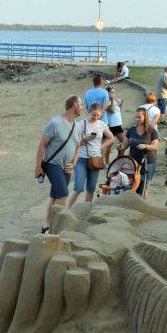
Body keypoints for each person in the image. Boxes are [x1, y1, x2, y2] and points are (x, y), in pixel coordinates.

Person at [35, 95, 84, 233]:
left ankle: (46, 225)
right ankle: (56, 227)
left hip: (67, 167)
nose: (82, 107)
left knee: (55, 195)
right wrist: (38, 167)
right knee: (63, 194)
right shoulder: (55, 123)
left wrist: (74, 163)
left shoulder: (77, 126)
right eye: (81, 104)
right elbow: (42, 145)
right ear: (74, 105)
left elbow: (78, 146)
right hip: (53, 164)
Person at [67, 103, 114, 208]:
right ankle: (66, 209)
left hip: (95, 159)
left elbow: (111, 138)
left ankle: (86, 209)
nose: (96, 117)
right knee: (78, 187)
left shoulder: (102, 124)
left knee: (91, 188)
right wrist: (84, 139)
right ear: (89, 112)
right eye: (93, 115)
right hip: (81, 159)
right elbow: (72, 141)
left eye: (98, 115)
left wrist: (101, 147)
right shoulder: (80, 124)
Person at [119, 107, 159, 200]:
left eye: (139, 117)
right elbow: (125, 144)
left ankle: (143, 204)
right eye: (136, 117)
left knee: (145, 185)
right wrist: (120, 147)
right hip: (133, 162)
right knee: (133, 184)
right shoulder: (131, 130)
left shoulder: (152, 131)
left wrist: (146, 146)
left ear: (145, 117)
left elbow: (154, 146)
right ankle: (133, 204)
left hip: (148, 162)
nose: (137, 119)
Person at [103, 85, 123, 162]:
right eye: (111, 92)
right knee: (109, 145)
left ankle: (120, 158)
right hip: (111, 126)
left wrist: (120, 104)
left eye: (114, 92)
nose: (113, 94)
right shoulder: (106, 102)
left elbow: (118, 111)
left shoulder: (116, 101)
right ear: (107, 93)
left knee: (124, 142)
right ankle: (107, 161)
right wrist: (111, 100)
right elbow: (112, 110)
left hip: (118, 125)